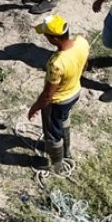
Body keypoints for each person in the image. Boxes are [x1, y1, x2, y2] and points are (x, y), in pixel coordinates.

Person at [26, 14, 89, 170]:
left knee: (52, 132)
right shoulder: (81, 42)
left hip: (58, 101)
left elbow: (48, 95)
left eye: (46, 35)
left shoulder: (56, 63)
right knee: (63, 120)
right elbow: (85, 65)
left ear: (54, 39)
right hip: (75, 92)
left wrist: (35, 108)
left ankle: (56, 164)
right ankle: (66, 151)